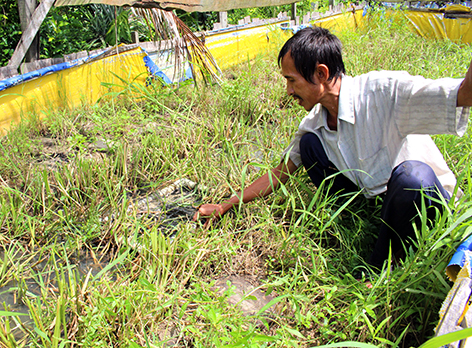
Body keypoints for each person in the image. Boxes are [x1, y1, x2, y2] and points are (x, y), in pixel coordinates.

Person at [193, 26, 472, 274]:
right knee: (309, 146)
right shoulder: (315, 121)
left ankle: (380, 268)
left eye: (292, 80)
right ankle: (357, 218)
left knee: (413, 175)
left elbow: (464, 94)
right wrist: (226, 204)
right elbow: (279, 173)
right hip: (380, 200)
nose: (288, 91)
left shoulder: (384, 92)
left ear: (321, 73)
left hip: (426, 203)